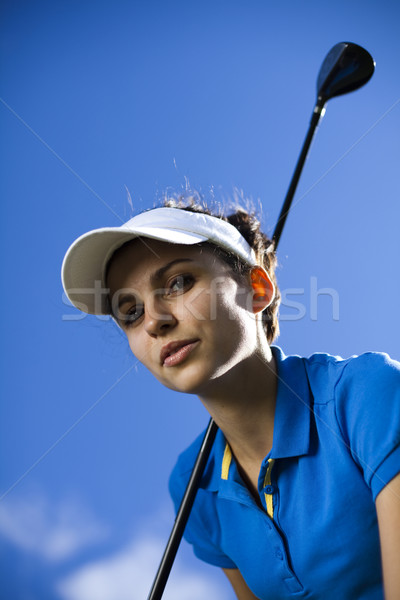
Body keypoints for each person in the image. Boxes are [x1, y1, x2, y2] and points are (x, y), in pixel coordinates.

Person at [62, 197, 400, 600]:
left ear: (257, 288)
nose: (154, 321)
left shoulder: (367, 394)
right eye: (131, 312)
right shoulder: (192, 485)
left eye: (178, 283)